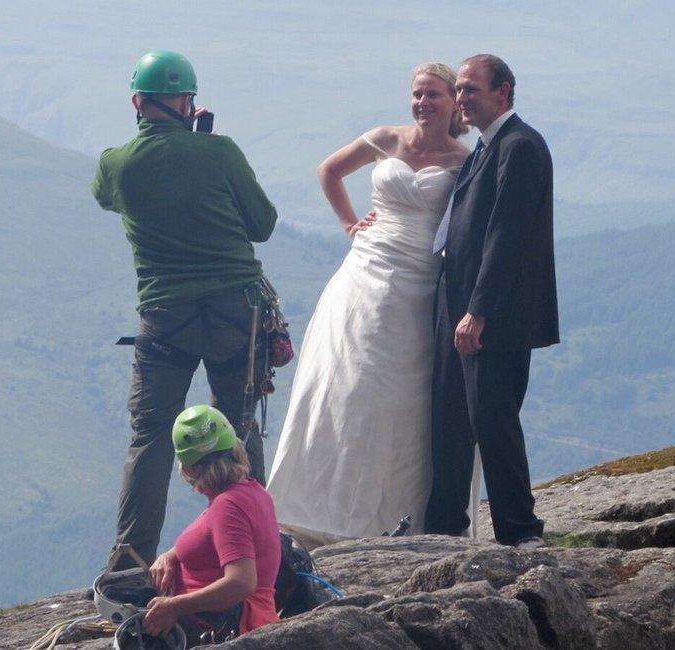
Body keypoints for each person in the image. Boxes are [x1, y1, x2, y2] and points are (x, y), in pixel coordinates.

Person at [267, 63, 480, 541]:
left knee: (402, 397)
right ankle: (316, 504)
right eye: (417, 94)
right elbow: (330, 170)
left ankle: (393, 513)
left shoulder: (466, 160)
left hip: (421, 282)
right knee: (345, 383)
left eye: (434, 95)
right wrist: (349, 224)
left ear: (453, 103)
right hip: (364, 271)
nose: (423, 103)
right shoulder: (386, 137)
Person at [91, 50, 278, 569]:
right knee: (238, 425)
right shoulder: (220, 153)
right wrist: (203, 149)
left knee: (150, 438)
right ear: (188, 102)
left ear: (137, 100)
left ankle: (129, 562)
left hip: (165, 316)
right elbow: (262, 225)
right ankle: (258, 554)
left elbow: (106, 198)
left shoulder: (116, 163)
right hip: (235, 311)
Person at [425, 54, 559, 549]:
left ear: (503, 92)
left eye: (471, 89)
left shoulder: (520, 146)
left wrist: (478, 312)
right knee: (452, 419)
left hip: (493, 317)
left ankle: (522, 534)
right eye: (458, 89)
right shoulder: (486, 146)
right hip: (457, 306)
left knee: (493, 420)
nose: (461, 98)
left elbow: (507, 238)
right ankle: (445, 525)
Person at [143, 405, 281, 641]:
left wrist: (175, 606)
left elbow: (241, 583)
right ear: (234, 447)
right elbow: (213, 537)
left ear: (187, 468)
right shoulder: (249, 491)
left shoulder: (227, 506)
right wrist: (171, 555)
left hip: (224, 624)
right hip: (230, 616)